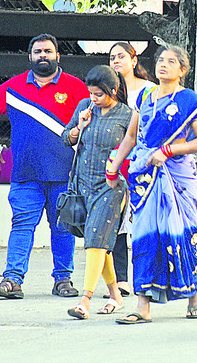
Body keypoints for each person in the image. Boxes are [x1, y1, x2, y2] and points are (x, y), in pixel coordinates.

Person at [106, 43, 197, 324]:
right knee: (143, 238)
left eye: (171, 61)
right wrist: (115, 168)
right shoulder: (146, 96)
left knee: (180, 235)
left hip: (177, 178)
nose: (163, 65)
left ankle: (193, 294)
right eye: (160, 60)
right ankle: (143, 306)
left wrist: (168, 151)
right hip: (143, 177)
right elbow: (131, 136)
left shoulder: (189, 101)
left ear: (182, 70)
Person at [0, 33, 89, 299]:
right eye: (38, 51)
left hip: (65, 175)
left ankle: (63, 281)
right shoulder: (13, 87)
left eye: (48, 51)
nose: (43, 55)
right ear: (30, 57)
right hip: (25, 174)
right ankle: (12, 280)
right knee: (21, 225)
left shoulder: (76, 88)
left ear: (58, 56)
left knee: (63, 228)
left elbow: (93, 118)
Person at [62, 65, 134, 319]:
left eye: (99, 95)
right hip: (83, 184)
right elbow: (66, 137)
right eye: (91, 93)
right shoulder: (85, 107)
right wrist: (77, 127)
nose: (94, 98)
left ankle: (85, 300)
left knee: (95, 240)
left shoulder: (127, 116)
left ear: (113, 91)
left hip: (112, 187)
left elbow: (135, 150)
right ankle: (116, 296)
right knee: (100, 243)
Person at [107, 42, 158, 298]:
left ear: (134, 60)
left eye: (121, 56)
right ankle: (121, 280)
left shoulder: (150, 91)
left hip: (143, 161)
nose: (116, 61)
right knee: (114, 221)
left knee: (139, 223)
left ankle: (146, 280)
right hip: (115, 160)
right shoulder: (109, 91)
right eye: (112, 57)